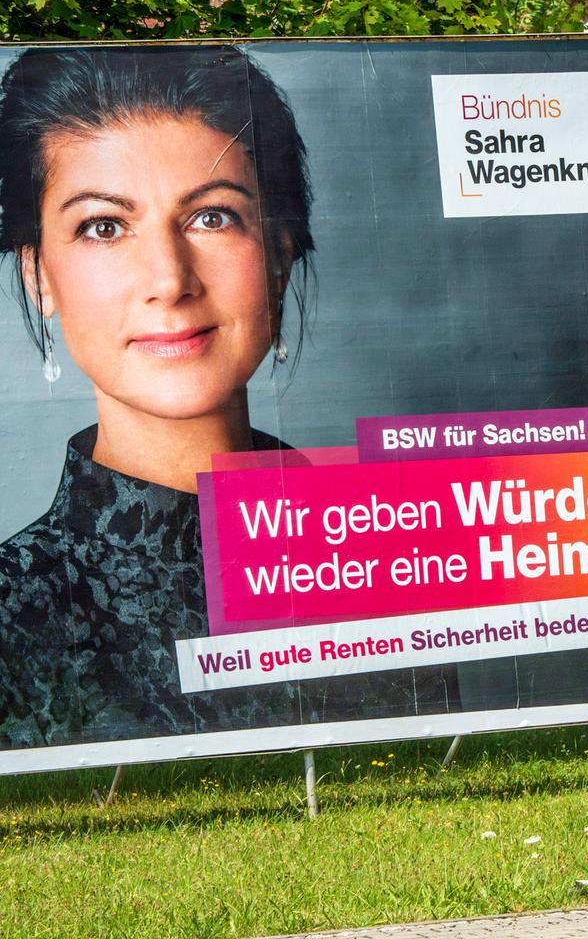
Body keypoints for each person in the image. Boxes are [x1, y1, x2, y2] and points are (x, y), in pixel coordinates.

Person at [0, 46, 447, 749]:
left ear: (279, 253)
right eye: (104, 226)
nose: (169, 280)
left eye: (212, 217)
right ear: (39, 277)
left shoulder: (393, 565)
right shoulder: (11, 613)